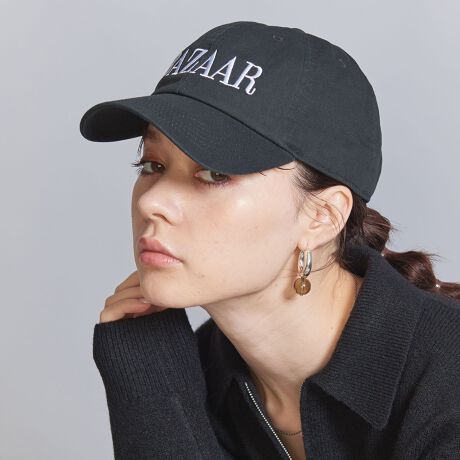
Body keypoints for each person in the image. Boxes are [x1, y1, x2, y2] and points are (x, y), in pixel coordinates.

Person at [80, 21, 460, 460]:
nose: (153, 202)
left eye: (214, 174)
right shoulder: (188, 370)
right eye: (152, 165)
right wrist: (154, 390)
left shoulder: (445, 377)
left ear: (322, 216)